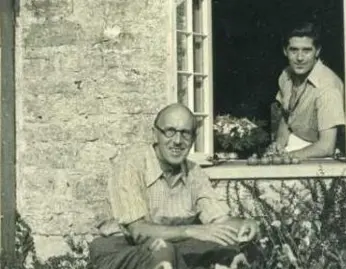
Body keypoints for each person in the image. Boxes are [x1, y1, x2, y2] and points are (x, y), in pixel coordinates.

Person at [89, 103, 258, 269]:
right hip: (120, 252)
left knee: (231, 252)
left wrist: (245, 225)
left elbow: (220, 220)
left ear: (193, 138)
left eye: (185, 133)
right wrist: (192, 231)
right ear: (155, 135)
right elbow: (138, 231)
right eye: (170, 132)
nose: (177, 141)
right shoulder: (131, 165)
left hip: (174, 250)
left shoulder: (194, 172)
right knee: (164, 250)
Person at [270, 22, 345, 159]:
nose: (299, 58)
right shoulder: (285, 76)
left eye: (306, 50)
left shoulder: (327, 87)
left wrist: (286, 156)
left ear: (317, 51)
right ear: (285, 51)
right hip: (295, 146)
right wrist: (279, 145)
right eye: (294, 50)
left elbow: (326, 146)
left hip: (321, 154)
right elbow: (286, 118)